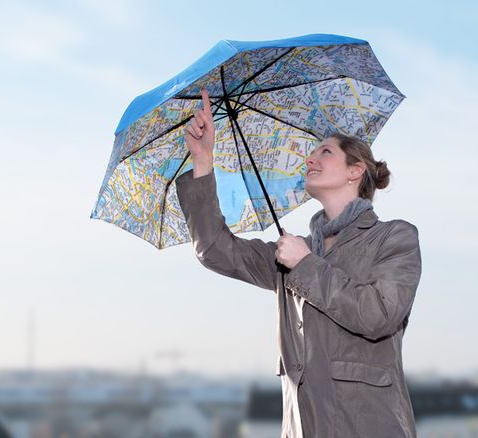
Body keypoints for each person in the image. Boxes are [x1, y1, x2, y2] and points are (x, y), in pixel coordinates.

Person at [174, 90, 422, 438]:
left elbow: (378, 314)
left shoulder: (394, 238)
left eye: (325, 151)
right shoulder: (291, 252)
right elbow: (215, 249)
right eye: (311, 154)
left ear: (355, 170)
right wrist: (203, 162)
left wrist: (305, 265)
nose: (309, 159)